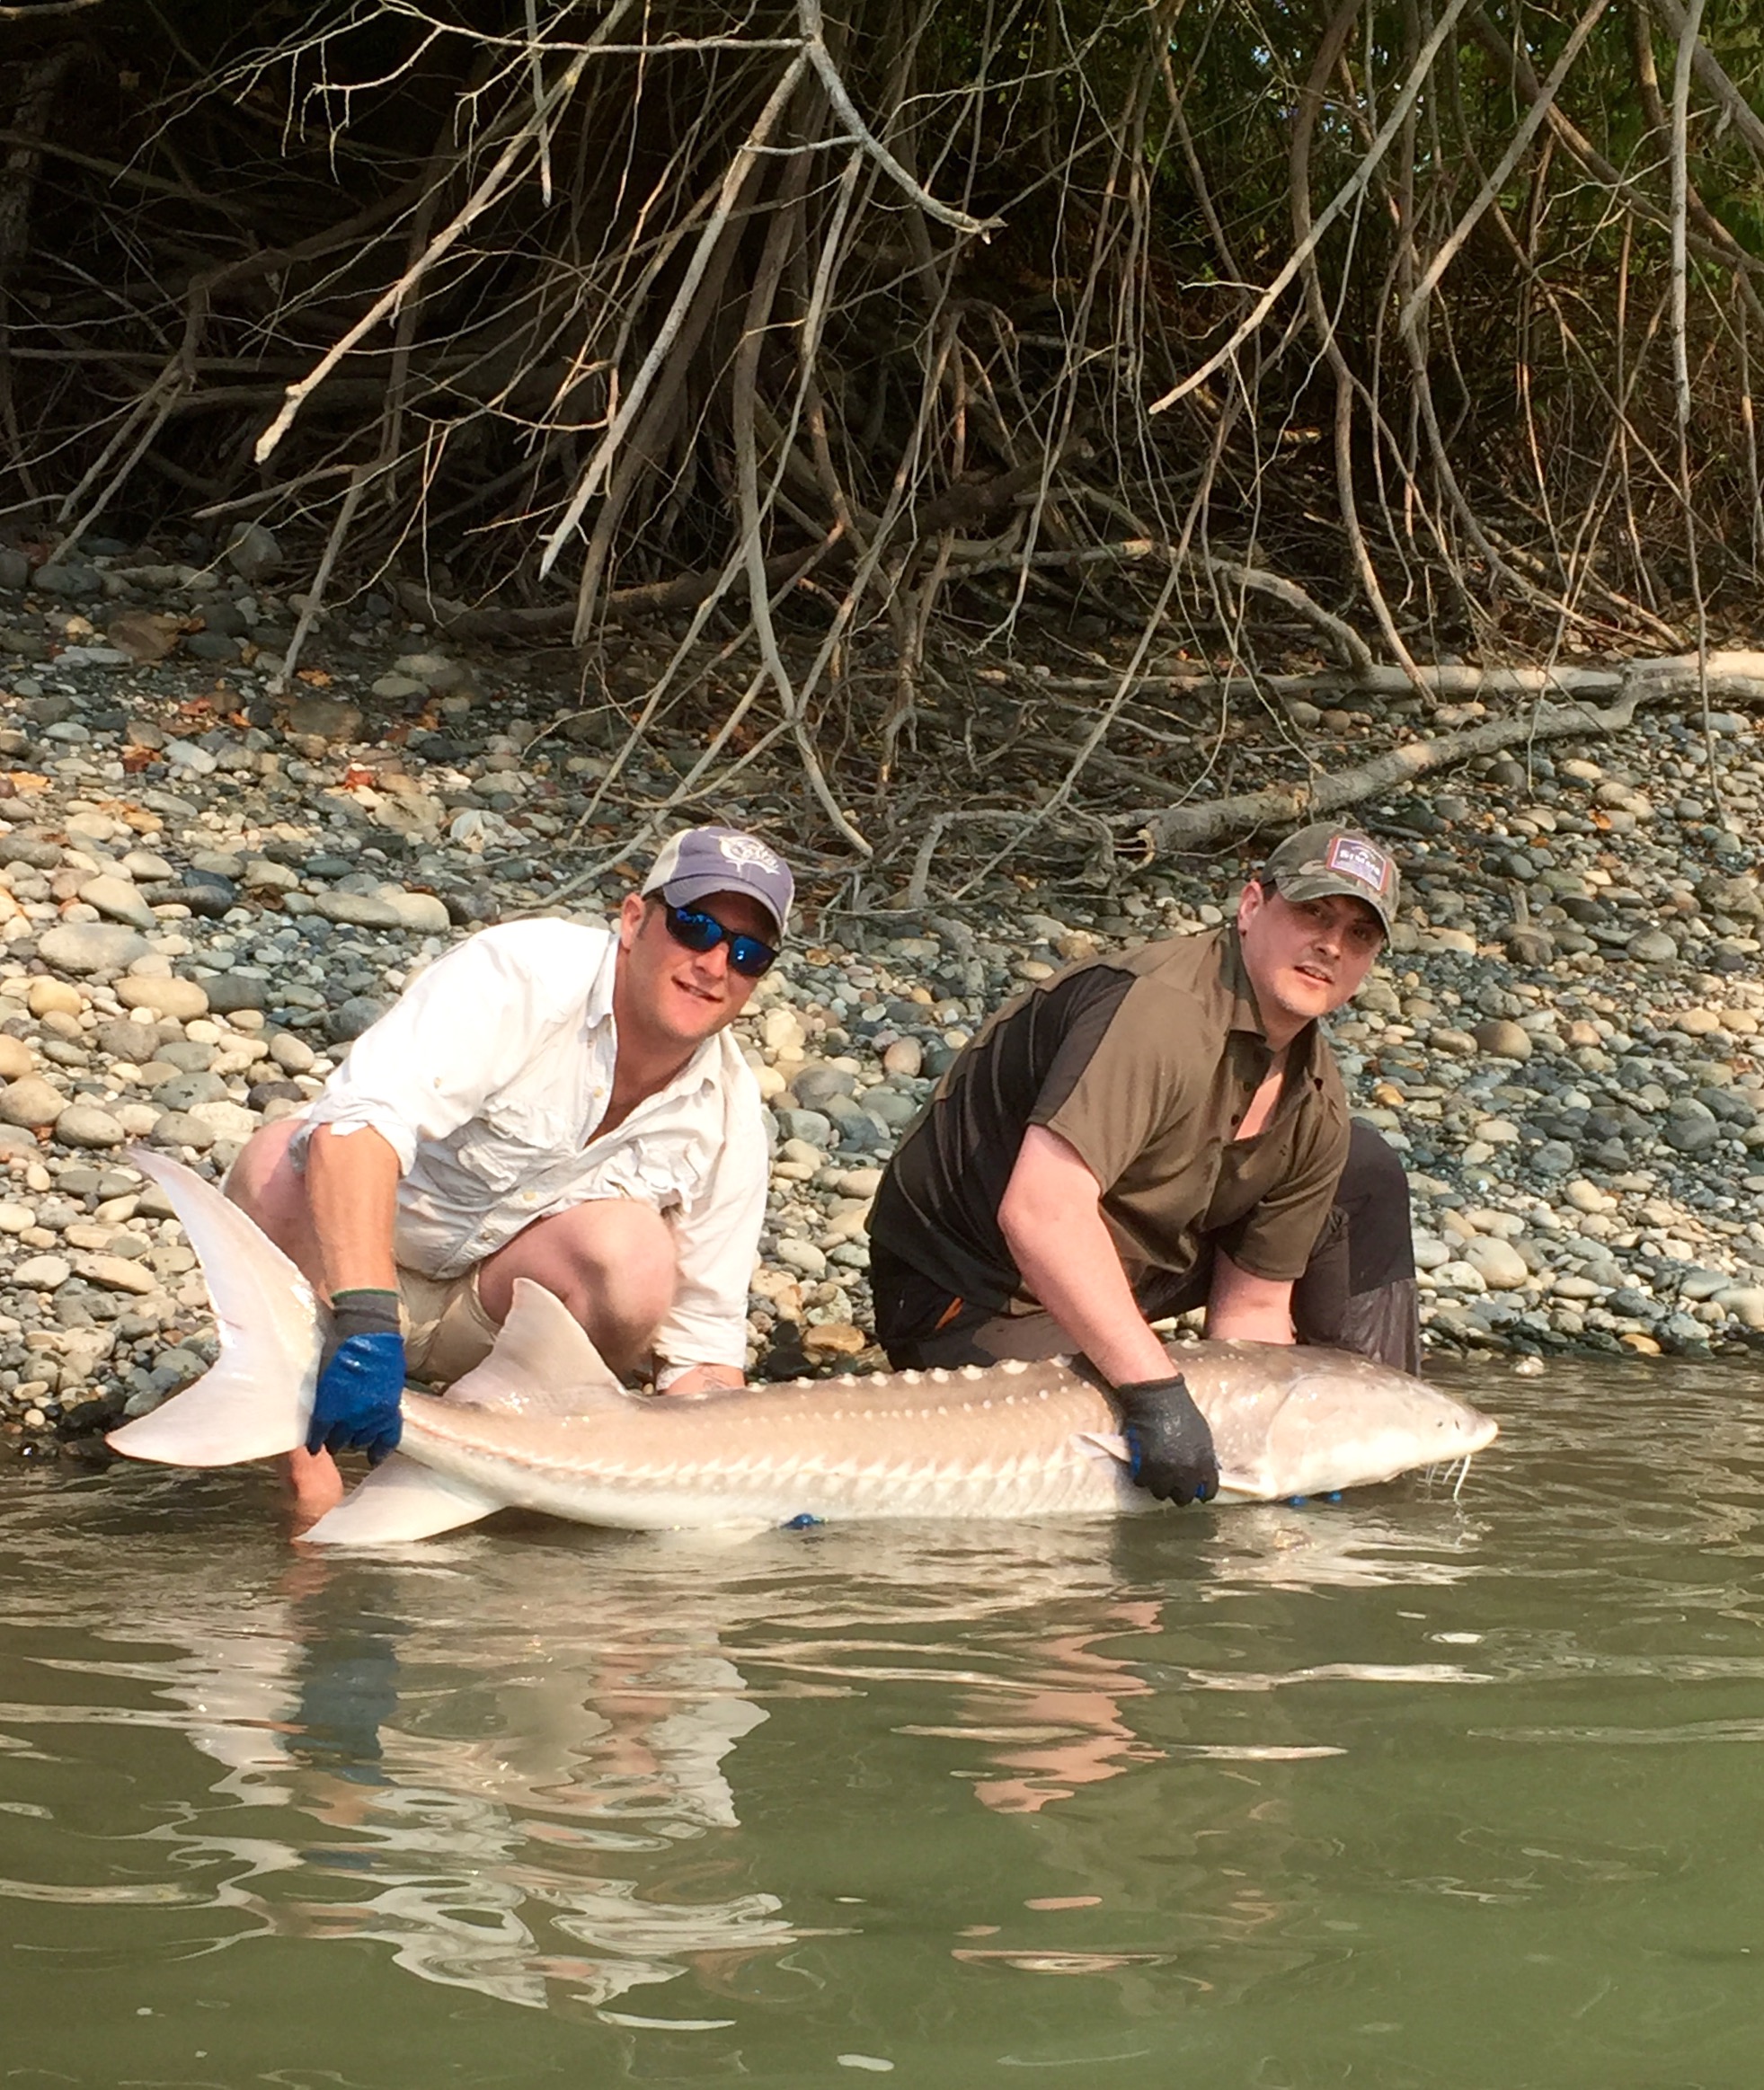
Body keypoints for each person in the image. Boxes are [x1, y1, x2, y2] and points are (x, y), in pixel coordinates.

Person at [226, 825, 793, 1515]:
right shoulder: (521, 974)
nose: (713, 964)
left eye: (747, 952)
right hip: (352, 1286)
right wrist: (366, 1318)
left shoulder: (729, 1110)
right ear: (634, 919)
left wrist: (751, 1481)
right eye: (695, 925)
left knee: (631, 1255)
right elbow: (357, 1127)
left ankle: (511, 1471)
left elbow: (702, 1359)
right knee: (278, 1161)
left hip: (490, 1325)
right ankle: (304, 1466)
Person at [867, 822, 1417, 1509]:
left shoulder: (1315, 1094)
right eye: (1312, 913)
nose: (1330, 945)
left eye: (1358, 936)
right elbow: (1039, 1212)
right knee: (1091, 1474)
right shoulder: (1163, 1010)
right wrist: (1156, 1394)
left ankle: (1378, 1448)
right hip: (971, 1291)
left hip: (1118, 1257)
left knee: (1359, 1169)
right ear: (1251, 907)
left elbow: (1252, 1306)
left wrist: (1261, 1440)